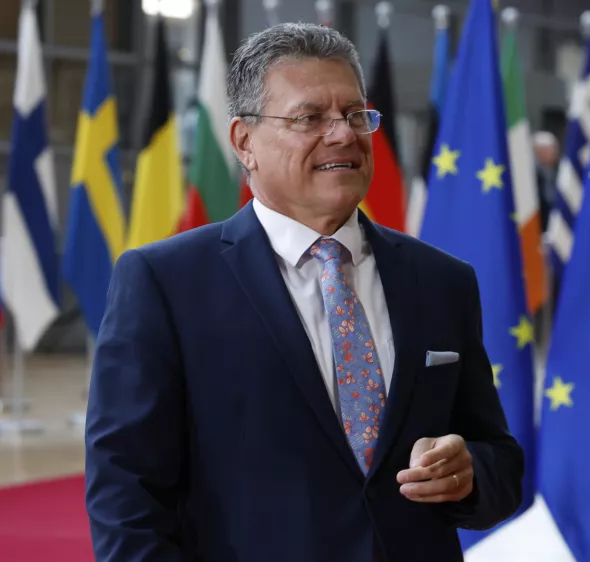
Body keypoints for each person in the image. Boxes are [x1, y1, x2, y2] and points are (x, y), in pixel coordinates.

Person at [83, 23, 524, 562]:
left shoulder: (442, 281)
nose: (343, 134)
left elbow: (499, 464)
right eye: (309, 118)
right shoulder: (164, 283)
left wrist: (469, 474)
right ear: (245, 142)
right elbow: (125, 498)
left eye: (355, 115)